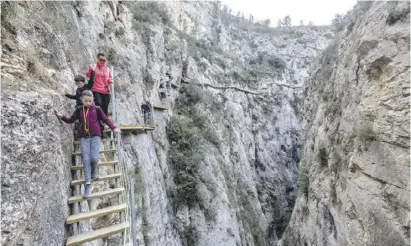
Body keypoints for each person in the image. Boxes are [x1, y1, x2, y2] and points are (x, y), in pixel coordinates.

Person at [56, 90, 121, 198]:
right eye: (86, 101)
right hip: (83, 137)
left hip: (95, 135)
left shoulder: (97, 109)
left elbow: (105, 119)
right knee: (85, 160)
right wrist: (62, 116)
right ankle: (87, 184)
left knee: (94, 158)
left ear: (93, 100)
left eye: (90, 101)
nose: (88, 103)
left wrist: (114, 128)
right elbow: (70, 120)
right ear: (81, 100)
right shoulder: (78, 111)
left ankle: (94, 170)